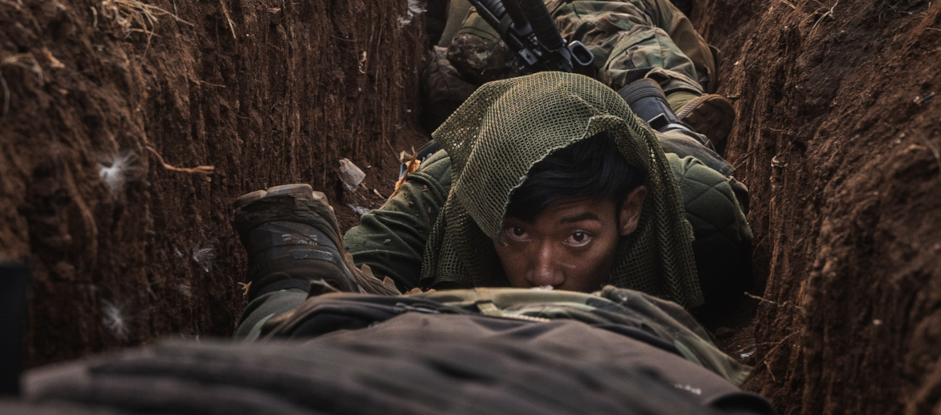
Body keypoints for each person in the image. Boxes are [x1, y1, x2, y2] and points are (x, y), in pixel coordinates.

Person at [227, 74, 757, 400]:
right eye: (517, 233)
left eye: (577, 237)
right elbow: (352, 274)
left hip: (670, 159)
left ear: (630, 212)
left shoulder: (697, 219)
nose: (543, 272)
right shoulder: (448, 192)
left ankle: (664, 111)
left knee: (681, 140)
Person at [417, 0, 735, 150]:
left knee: (601, 27)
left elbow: (463, 52)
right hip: (671, 62)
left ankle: (675, 114)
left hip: (617, 22)